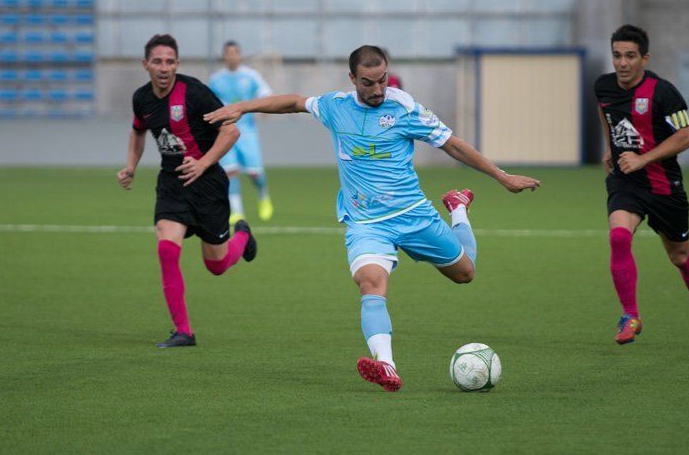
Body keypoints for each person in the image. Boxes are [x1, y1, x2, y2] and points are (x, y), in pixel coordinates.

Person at [204, 45, 540, 391]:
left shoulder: (405, 108)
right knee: (370, 282)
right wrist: (242, 107)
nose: (378, 89)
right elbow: (292, 102)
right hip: (367, 223)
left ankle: (457, 208)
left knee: (465, 273)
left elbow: (451, 144)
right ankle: (387, 365)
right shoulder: (336, 107)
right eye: (368, 83)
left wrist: (502, 176)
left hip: (413, 215)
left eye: (382, 80)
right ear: (352, 79)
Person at [117, 34, 258, 348]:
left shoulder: (194, 92)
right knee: (167, 250)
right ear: (146, 65)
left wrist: (203, 163)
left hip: (207, 184)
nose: (164, 67)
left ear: (177, 64)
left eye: (170, 61)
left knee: (217, 265)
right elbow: (138, 131)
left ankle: (243, 236)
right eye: (157, 61)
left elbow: (230, 130)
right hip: (171, 184)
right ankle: (183, 331)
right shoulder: (142, 98)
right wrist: (131, 166)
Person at [595, 24, 689, 345]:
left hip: (664, 186)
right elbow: (605, 112)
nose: (622, 63)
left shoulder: (664, 92)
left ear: (644, 58)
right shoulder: (604, 87)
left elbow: (687, 136)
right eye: (617, 56)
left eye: (630, 56)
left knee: (680, 257)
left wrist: (643, 159)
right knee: (619, 237)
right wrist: (610, 146)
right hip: (626, 183)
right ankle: (630, 315)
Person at [208, 41, 275, 223]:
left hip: (247, 132)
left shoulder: (250, 75)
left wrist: (264, 107)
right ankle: (237, 212)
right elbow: (208, 102)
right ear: (224, 55)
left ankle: (263, 194)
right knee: (230, 172)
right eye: (228, 52)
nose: (231, 55)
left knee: (255, 174)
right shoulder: (216, 79)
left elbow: (265, 93)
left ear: (239, 54)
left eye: (235, 52)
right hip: (225, 131)